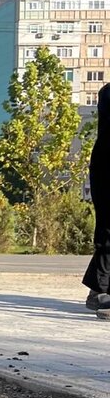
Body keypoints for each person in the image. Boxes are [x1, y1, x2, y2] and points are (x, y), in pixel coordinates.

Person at [83, 82, 110, 314]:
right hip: (107, 171)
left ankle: (97, 287)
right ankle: (102, 290)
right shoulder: (108, 94)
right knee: (108, 231)